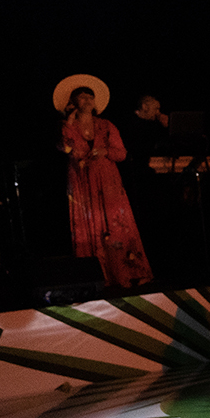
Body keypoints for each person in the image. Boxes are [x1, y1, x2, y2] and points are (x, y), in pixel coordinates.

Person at [58, 81, 153, 288]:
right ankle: (97, 277)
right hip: (82, 183)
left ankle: (128, 272)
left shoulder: (106, 125)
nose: (87, 99)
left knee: (116, 225)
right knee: (89, 227)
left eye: (90, 96)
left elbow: (122, 153)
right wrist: (69, 122)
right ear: (73, 102)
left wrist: (105, 152)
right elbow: (66, 149)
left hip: (107, 181)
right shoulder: (68, 126)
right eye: (81, 96)